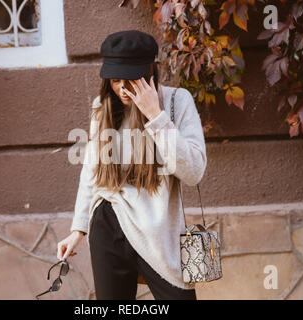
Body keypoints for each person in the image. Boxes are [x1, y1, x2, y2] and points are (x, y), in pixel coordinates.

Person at [56, 30, 207, 300]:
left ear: (151, 72)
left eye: (131, 80)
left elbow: (194, 172)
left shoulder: (176, 102)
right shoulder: (101, 108)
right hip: (108, 225)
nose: (123, 89)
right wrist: (77, 230)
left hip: (158, 232)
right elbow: (91, 170)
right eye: (115, 80)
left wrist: (155, 115)